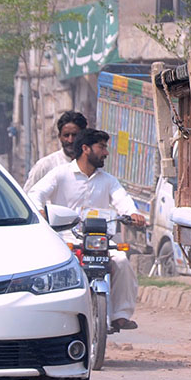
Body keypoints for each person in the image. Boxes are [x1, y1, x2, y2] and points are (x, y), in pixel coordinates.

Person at [28, 128, 146, 331]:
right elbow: (35, 192)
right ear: (85, 148)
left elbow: (122, 200)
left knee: (121, 261)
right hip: (67, 239)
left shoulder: (108, 180)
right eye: (101, 147)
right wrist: (40, 210)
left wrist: (133, 214)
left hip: (99, 239)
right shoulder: (61, 174)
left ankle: (120, 315)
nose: (106, 153)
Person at [23, 111, 87, 191]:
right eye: (66, 135)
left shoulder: (92, 166)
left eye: (75, 135)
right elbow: (27, 197)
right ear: (59, 137)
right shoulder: (45, 166)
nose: (70, 140)